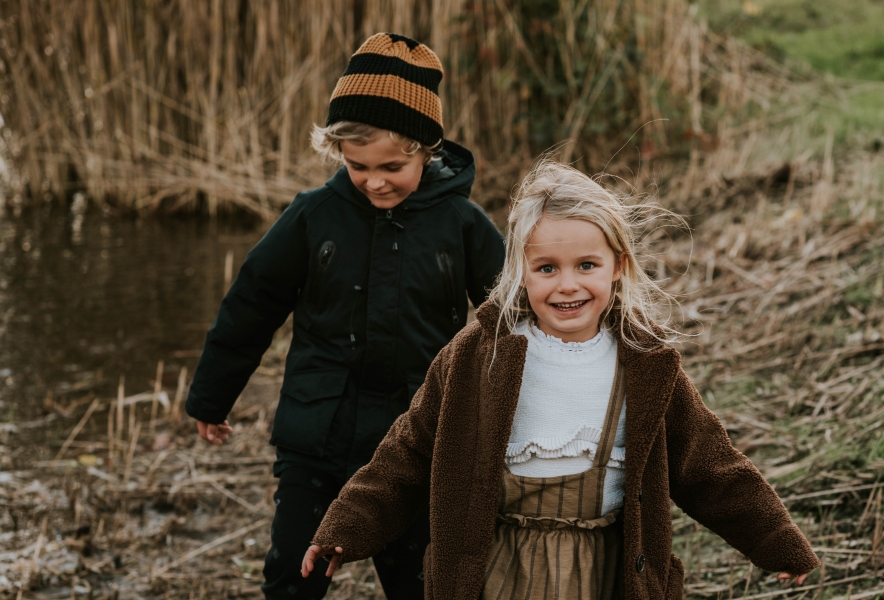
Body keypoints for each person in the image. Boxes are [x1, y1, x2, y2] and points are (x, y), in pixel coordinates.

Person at [302, 159, 820, 599]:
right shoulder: (477, 356)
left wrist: (774, 537)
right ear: (519, 271)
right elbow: (407, 454)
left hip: (607, 569)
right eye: (546, 268)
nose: (567, 285)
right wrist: (346, 528)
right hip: (497, 569)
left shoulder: (644, 361)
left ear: (617, 266)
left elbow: (709, 465)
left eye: (586, 265)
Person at [184, 33, 505, 600]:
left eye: (392, 166)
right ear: (337, 152)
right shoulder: (315, 216)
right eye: (358, 166)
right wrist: (212, 397)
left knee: (425, 583)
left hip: (416, 442)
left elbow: (512, 318)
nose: (375, 180)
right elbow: (252, 304)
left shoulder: (461, 224)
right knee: (293, 573)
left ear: (426, 151)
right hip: (317, 438)